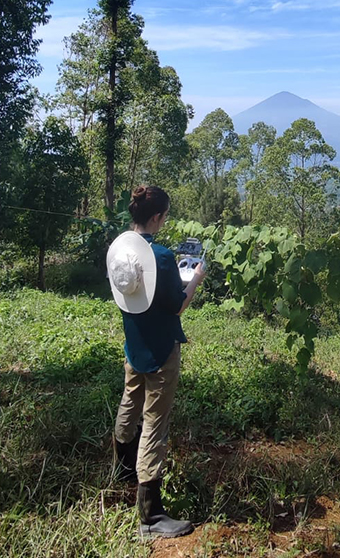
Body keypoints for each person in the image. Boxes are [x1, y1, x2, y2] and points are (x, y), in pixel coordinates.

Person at [107, 185, 206, 539]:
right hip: (161, 349)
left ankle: (122, 473)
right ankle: (150, 515)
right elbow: (178, 304)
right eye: (164, 217)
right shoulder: (163, 257)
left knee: (129, 404)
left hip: (134, 343)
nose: (164, 222)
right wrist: (194, 278)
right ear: (156, 217)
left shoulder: (119, 250)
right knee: (154, 424)